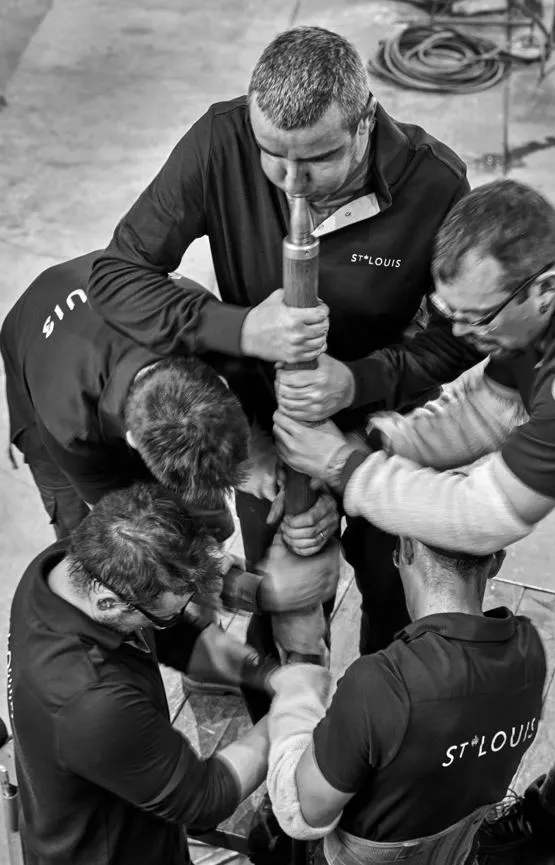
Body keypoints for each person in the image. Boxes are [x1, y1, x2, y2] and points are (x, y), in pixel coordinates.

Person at [86, 25, 480, 675]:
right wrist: (239, 329)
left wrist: (356, 380)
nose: (292, 184)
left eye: (317, 160)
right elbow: (118, 275)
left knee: (392, 592)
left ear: (364, 122)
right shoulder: (220, 140)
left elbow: (460, 333)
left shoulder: (435, 184)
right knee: (286, 600)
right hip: (266, 428)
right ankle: (288, 739)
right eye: (274, 157)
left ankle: (374, 716)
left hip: (386, 428)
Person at [273, 178, 555, 865]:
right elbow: (481, 410)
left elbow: (483, 513)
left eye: (477, 319)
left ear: (541, 288)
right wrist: (381, 444)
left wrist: (347, 471)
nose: (461, 337)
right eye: (448, 314)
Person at [0, 251, 340, 692]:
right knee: (104, 556)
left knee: (208, 521)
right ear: (136, 445)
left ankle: (201, 625)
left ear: (218, 385)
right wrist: (250, 591)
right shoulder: (71, 424)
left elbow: (255, 417)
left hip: (111, 309)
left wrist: (258, 454)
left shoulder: (205, 325)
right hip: (39, 345)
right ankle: (188, 638)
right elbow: (131, 536)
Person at [7, 481, 322, 865]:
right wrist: (291, 708)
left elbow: (175, 637)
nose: (177, 617)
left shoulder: (67, 565)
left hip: (127, 795)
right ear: (108, 602)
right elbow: (205, 797)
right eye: (167, 611)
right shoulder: (90, 702)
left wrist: (268, 675)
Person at [264, 536, 546, 865]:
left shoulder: (381, 685)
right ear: (497, 560)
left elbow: (303, 810)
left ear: (406, 549)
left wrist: (298, 694)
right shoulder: (530, 650)